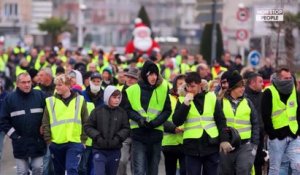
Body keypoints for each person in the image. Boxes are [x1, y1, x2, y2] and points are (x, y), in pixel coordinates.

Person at [172, 72, 227, 175]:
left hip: (211, 144)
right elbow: (177, 121)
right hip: (192, 146)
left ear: (200, 85)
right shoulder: (182, 100)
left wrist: (224, 140)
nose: (190, 89)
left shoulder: (211, 97)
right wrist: (185, 104)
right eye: (188, 86)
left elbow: (221, 120)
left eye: (193, 86)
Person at [123, 60, 171, 175]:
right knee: (139, 170)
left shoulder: (163, 89)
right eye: (151, 74)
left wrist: (155, 122)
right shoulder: (132, 90)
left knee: (153, 170)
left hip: (156, 135)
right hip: (139, 134)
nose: (153, 77)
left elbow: (167, 110)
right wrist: (139, 119)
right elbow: (128, 109)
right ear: (145, 74)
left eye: (155, 74)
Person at [0, 72, 46, 175]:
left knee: (38, 169)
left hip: (37, 141)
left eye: (29, 82)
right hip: (20, 143)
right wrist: (15, 136)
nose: (27, 85)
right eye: (23, 82)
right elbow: (3, 121)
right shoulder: (9, 99)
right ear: (17, 84)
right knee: (22, 172)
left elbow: (48, 114)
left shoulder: (40, 96)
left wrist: (44, 126)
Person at [42, 74, 89, 175]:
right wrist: (49, 141)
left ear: (68, 86)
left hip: (74, 142)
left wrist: (83, 140)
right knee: (59, 171)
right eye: (56, 85)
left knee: (72, 169)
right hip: (56, 143)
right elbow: (45, 122)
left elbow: (86, 121)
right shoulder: (50, 102)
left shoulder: (80, 100)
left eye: (60, 85)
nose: (56, 87)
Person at [219, 71, 260, 175]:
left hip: (245, 146)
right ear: (232, 88)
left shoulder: (248, 102)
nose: (243, 89)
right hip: (226, 147)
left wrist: (254, 145)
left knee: (243, 170)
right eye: (239, 87)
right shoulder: (220, 102)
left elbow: (255, 123)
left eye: (243, 86)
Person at [262, 67, 300, 174]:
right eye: (286, 78)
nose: (289, 80)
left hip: (293, 135)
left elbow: (298, 110)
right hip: (277, 137)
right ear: (278, 78)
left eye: (290, 78)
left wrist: (298, 132)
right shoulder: (269, 92)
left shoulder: (293, 90)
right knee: (276, 169)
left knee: (298, 166)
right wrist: (272, 134)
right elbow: (265, 115)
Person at [84, 85, 130, 175]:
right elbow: (88, 126)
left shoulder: (122, 112)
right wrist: (98, 137)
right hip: (99, 150)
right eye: (114, 97)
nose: (117, 100)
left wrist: (118, 138)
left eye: (118, 97)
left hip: (115, 151)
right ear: (107, 96)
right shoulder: (97, 111)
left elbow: (126, 128)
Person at [79, 72, 104, 175]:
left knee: (95, 167)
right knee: (82, 167)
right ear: (90, 82)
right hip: (85, 138)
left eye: (98, 81)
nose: (96, 83)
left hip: (98, 138)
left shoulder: (104, 97)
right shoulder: (82, 95)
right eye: (94, 81)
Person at [117, 67, 139, 175]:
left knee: (136, 163)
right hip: (123, 131)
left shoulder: (141, 93)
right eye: (128, 77)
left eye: (133, 78)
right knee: (122, 160)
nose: (130, 79)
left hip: (137, 131)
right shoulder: (118, 92)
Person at [162, 74, 186, 175]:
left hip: (185, 142)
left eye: (185, 84)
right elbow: (160, 118)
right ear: (175, 85)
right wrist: (173, 128)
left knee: (185, 171)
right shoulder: (166, 98)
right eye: (180, 83)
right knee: (170, 171)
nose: (182, 86)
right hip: (169, 142)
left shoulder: (190, 98)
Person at [244, 72, 265, 175]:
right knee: (246, 163)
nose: (263, 84)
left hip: (260, 135)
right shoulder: (244, 96)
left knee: (258, 162)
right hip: (246, 136)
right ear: (252, 82)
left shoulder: (263, 96)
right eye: (260, 82)